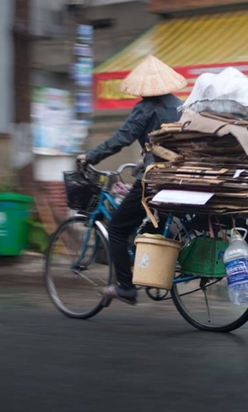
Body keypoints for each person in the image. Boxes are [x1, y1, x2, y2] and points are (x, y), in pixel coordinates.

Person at [78, 55, 186, 305]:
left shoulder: (146, 108)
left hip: (155, 178)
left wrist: (90, 156)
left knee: (116, 229)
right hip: (177, 174)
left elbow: (121, 139)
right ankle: (151, 267)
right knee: (149, 223)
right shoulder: (178, 104)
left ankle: (125, 287)